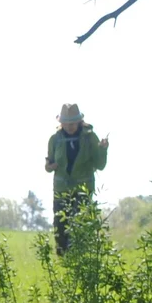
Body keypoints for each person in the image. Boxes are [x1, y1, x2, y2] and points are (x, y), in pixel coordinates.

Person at [46, 103, 109, 254]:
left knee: (80, 227)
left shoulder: (89, 137)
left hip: (83, 190)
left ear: (79, 122)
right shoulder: (55, 139)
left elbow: (100, 165)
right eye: (66, 124)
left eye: (72, 123)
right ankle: (63, 262)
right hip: (61, 190)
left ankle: (80, 261)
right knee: (60, 229)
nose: (69, 127)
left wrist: (103, 150)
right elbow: (48, 165)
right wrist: (50, 166)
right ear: (61, 123)